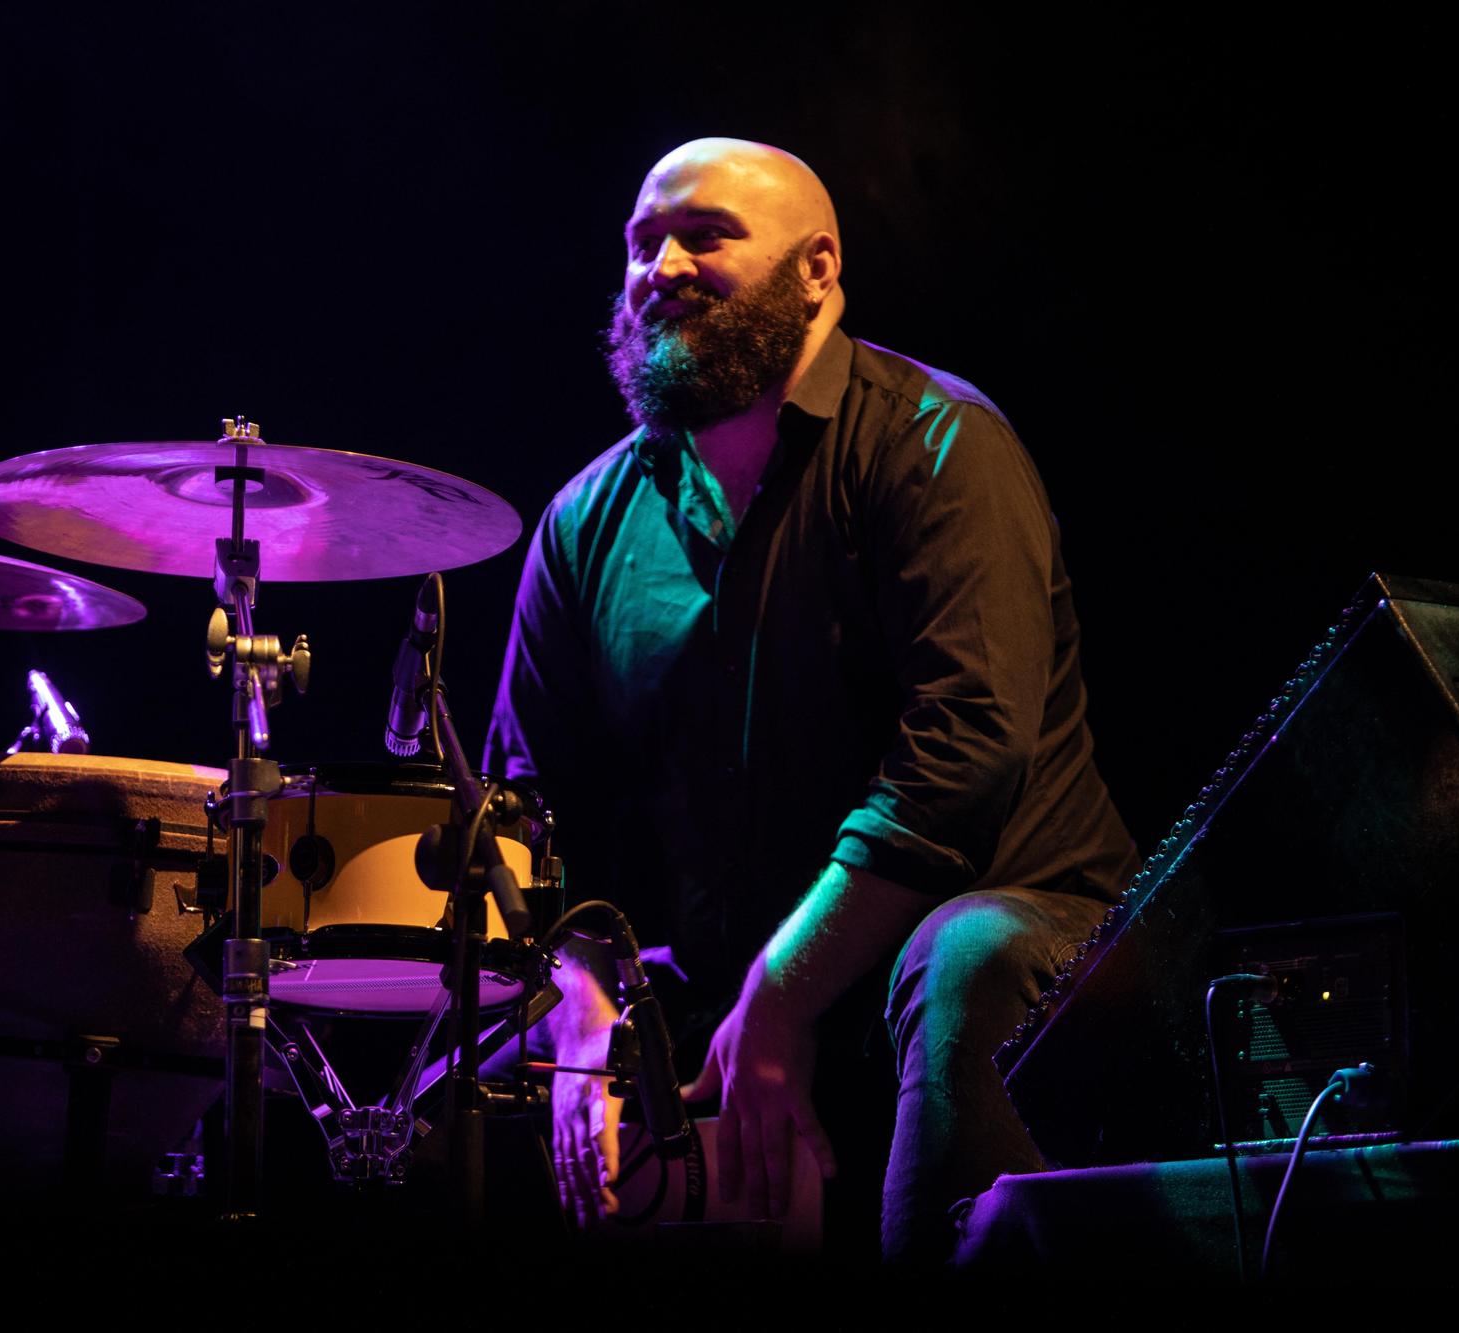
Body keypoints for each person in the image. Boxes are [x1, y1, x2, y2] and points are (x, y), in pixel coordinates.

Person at [483, 138, 1138, 1264]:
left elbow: (961, 760)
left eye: (704, 235)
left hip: (1013, 922)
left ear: (816, 269)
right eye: (642, 245)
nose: (662, 267)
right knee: (407, 1097)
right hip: (721, 971)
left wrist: (781, 993)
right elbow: (526, 806)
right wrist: (581, 1008)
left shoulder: (936, 442)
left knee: (963, 959)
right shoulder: (586, 518)